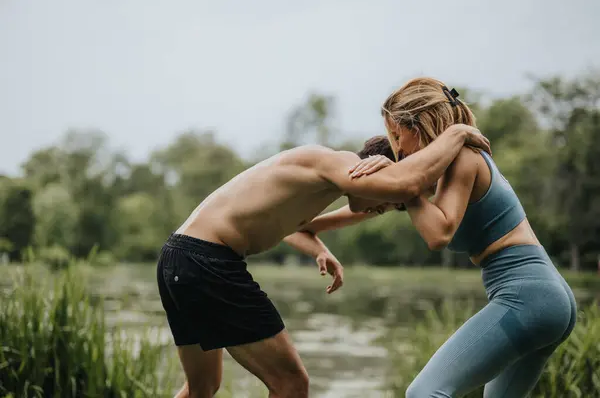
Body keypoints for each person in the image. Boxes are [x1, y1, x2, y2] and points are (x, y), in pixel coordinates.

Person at [155, 124, 490, 398]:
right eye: (387, 199)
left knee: (202, 388)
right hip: (208, 261)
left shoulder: (322, 188)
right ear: (372, 169)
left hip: (178, 258)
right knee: (291, 385)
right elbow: (407, 182)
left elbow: (298, 227)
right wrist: (457, 133)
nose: (384, 208)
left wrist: (319, 250)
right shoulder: (336, 161)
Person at [297, 77, 577, 398]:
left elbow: (438, 234)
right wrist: (308, 225)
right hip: (549, 297)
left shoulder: (464, 159)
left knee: (424, 393)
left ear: (419, 125)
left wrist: (406, 186)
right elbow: (367, 208)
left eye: (398, 135)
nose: (398, 148)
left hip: (529, 297)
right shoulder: (444, 174)